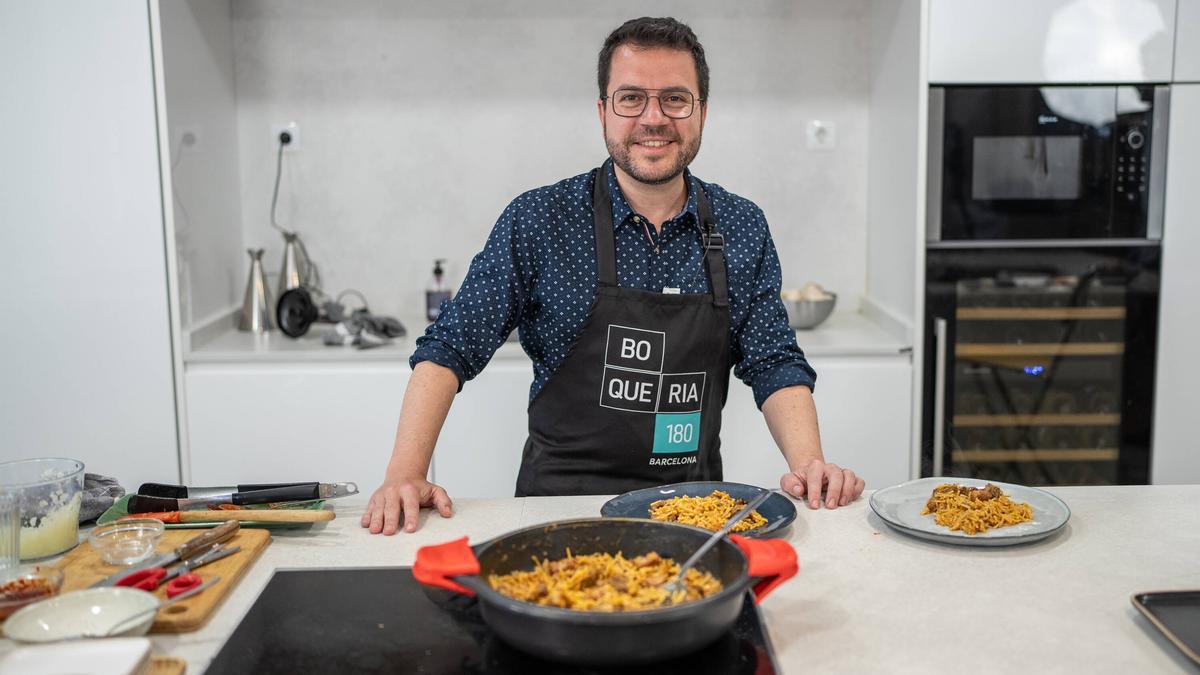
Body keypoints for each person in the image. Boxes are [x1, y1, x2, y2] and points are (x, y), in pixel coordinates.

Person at [363, 16, 864, 535]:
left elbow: (774, 361)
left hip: (691, 514)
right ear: (603, 111)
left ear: (702, 113)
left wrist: (810, 466)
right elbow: (450, 347)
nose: (654, 118)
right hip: (557, 514)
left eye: (675, 98)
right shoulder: (540, 219)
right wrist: (404, 473)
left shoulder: (741, 225)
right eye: (630, 99)